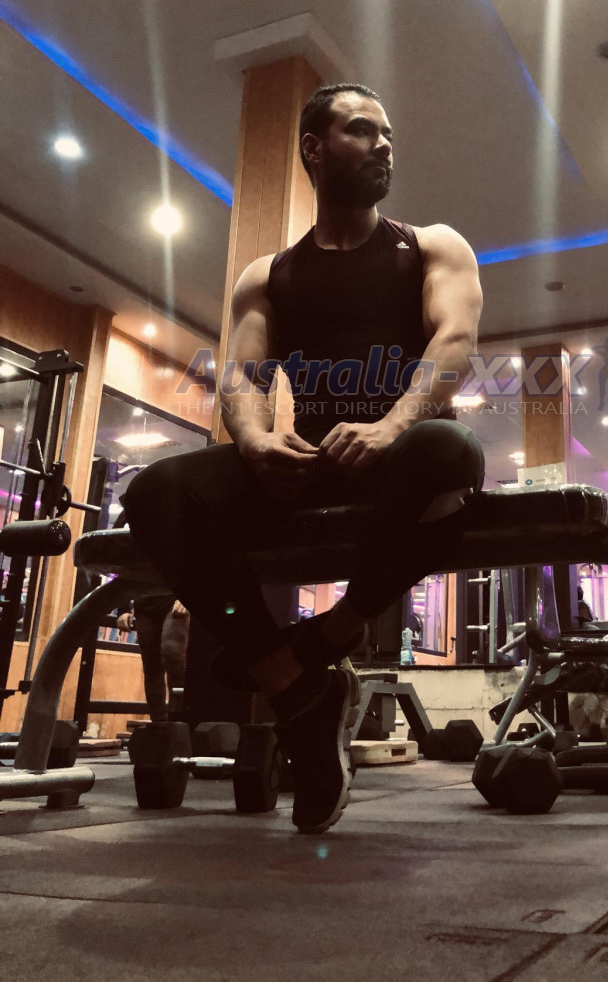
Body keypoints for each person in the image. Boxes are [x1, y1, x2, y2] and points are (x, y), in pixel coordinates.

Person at [122, 83, 485, 834]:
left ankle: (332, 634)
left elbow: (454, 343)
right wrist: (255, 440)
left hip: (405, 452)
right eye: (362, 131)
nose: (384, 145)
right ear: (313, 150)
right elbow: (241, 377)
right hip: (317, 457)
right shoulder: (268, 274)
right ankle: (296, 690)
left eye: (388, 133)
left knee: (448, 448)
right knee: (156, 492)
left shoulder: (432, 246)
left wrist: (390, 424)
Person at [118, 597, 190, 722]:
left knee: (173, 655)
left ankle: (178, 721)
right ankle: (158, 722)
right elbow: (123, 583)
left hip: (173, 602)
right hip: (145, 605)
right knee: (151, 666)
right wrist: (123, 610)